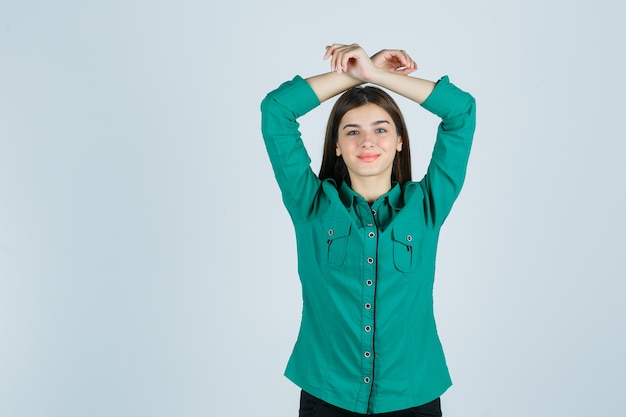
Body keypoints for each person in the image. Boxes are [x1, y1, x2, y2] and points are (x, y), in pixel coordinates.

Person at [260, 43, 476, 416]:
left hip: (413, 396)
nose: (368, 141)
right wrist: (352, 76)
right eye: (352, 131)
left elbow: (461, 111)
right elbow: (276, 111)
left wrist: (377, 77)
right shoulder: (311, 205)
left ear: (399, 141)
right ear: (338, 146)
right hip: (329, 396)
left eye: (380, 128)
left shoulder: (426, 206)